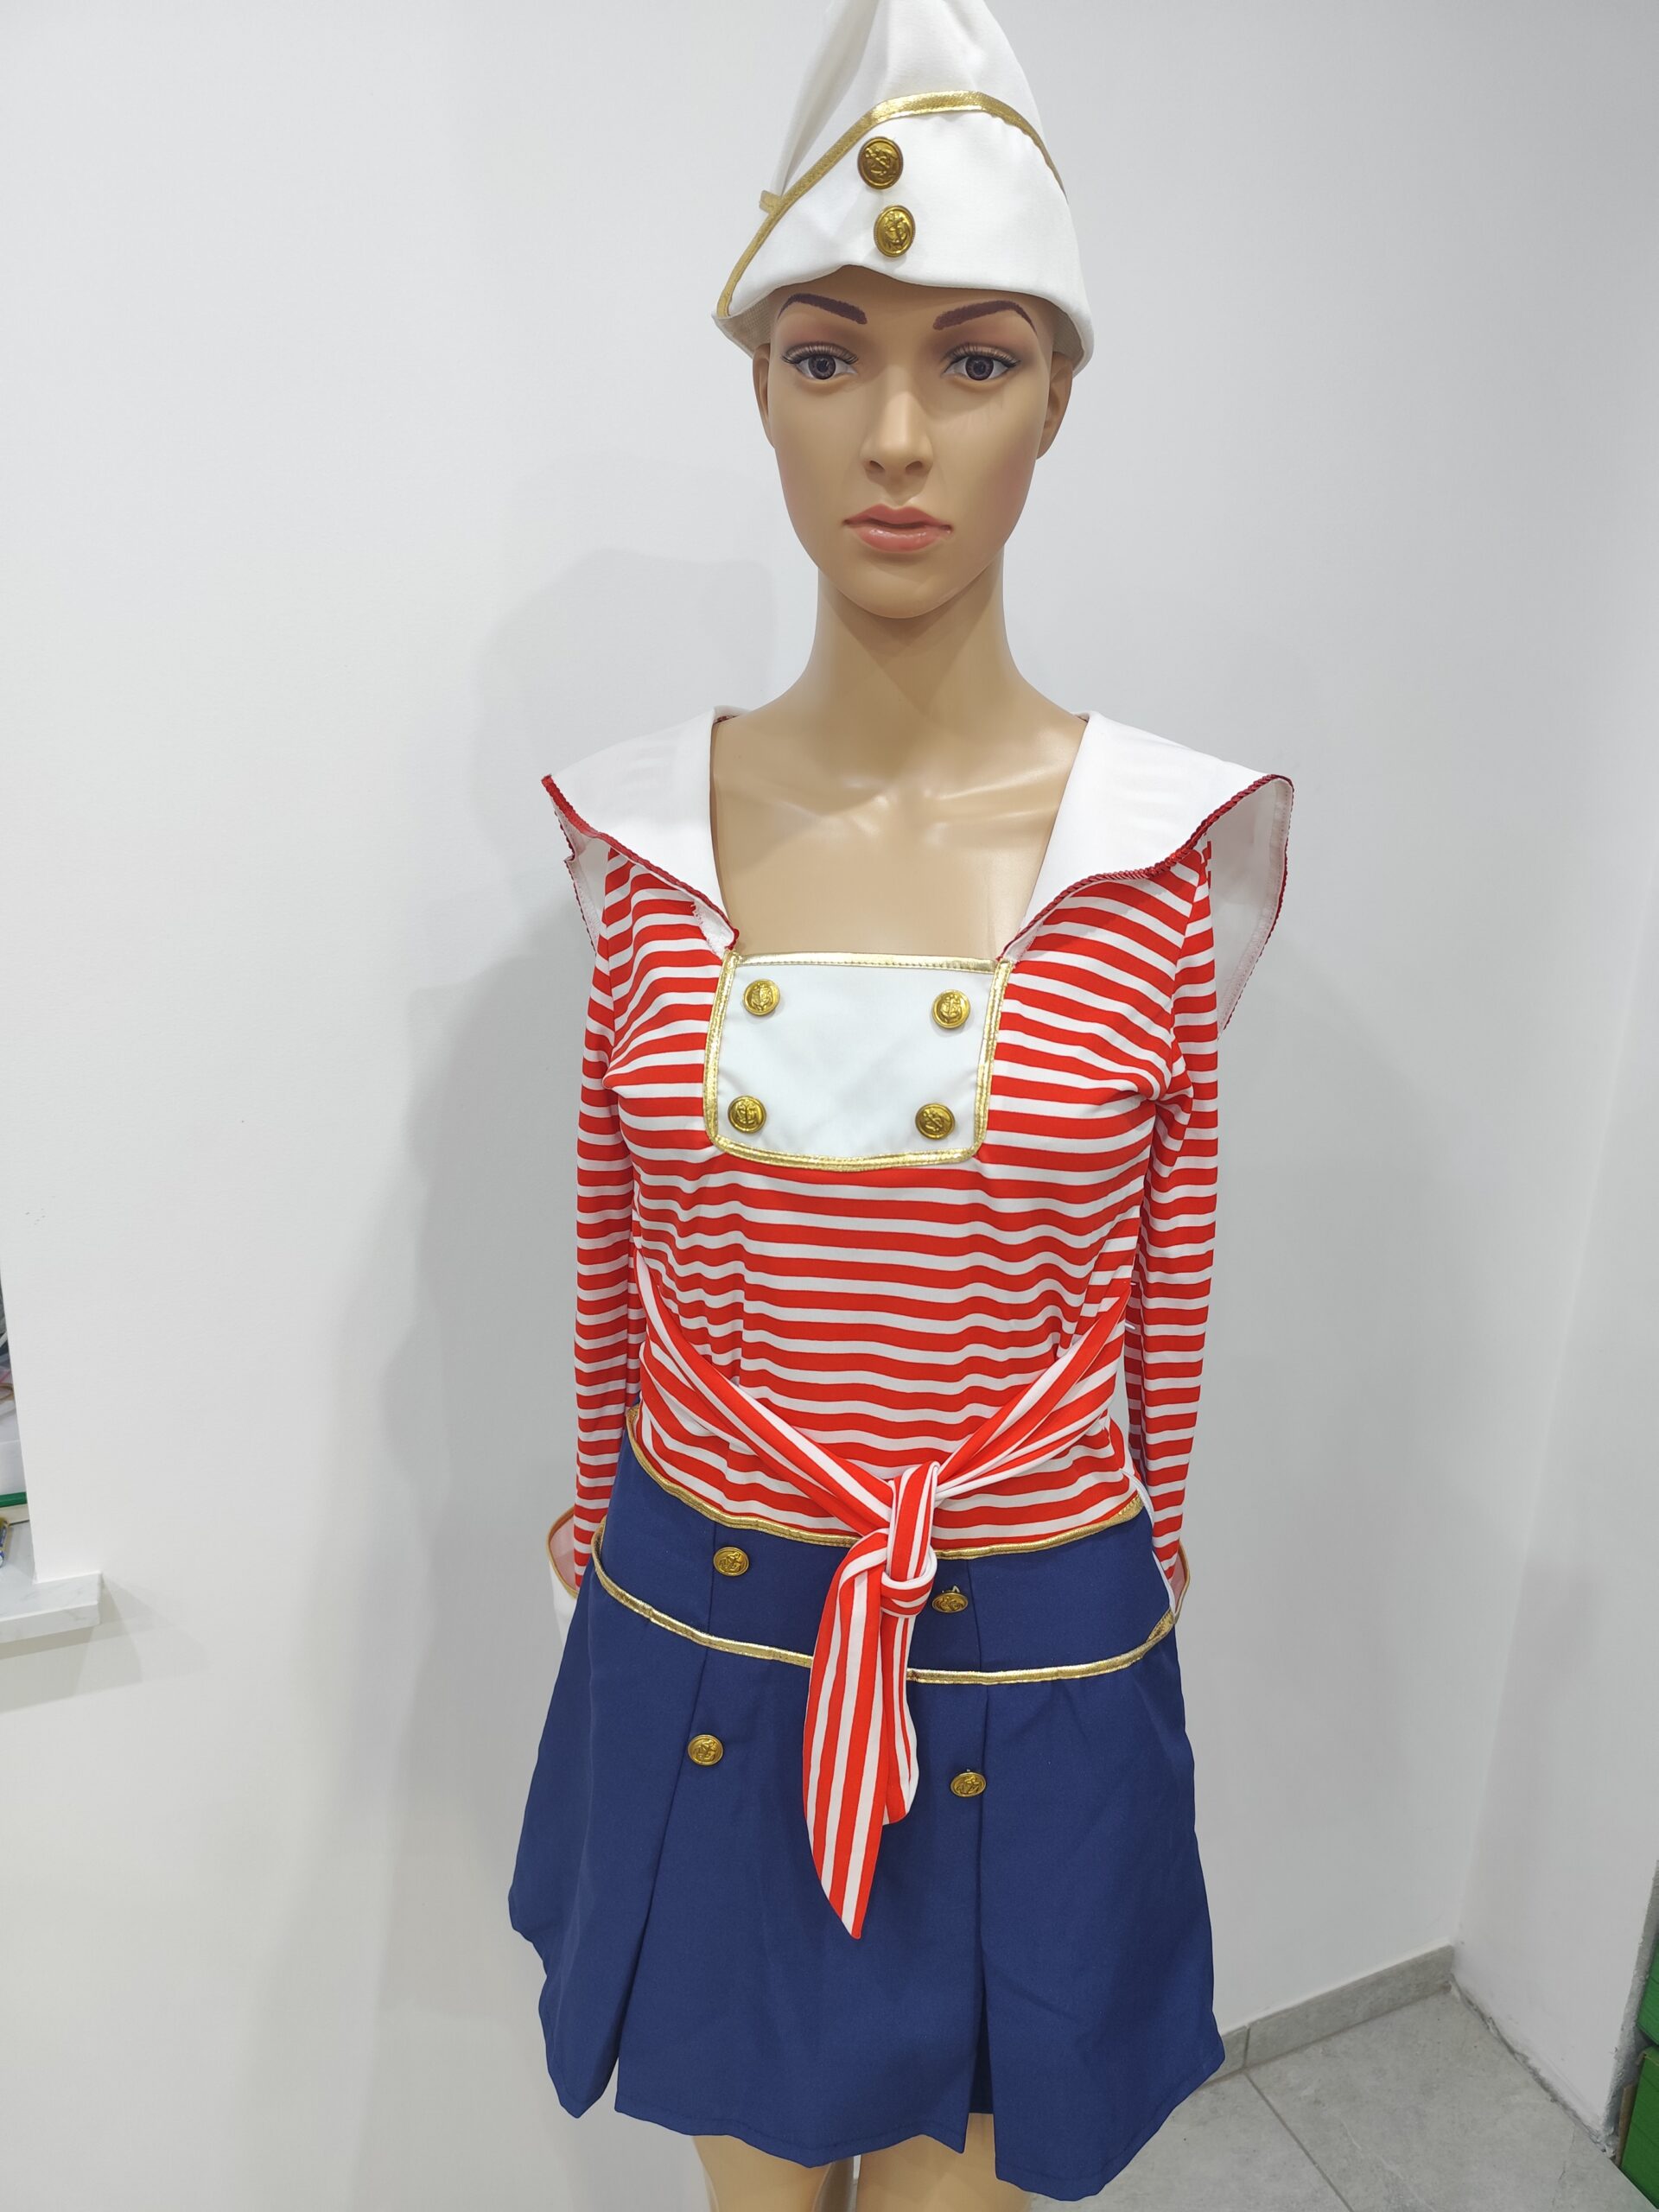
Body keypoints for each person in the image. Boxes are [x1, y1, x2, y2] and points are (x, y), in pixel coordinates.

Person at [510, 2, 1294, 2204]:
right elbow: (612, 1246)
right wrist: (592, 1527)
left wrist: (1145, 1579)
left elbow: (1162, 1304)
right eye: (827, 353)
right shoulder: (644, 840)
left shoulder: (1166, 853)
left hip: (1033, 1632)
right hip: (704, 1614)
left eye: (975, 360)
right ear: (759, 387)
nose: (897, 436)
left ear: (1058, 398)